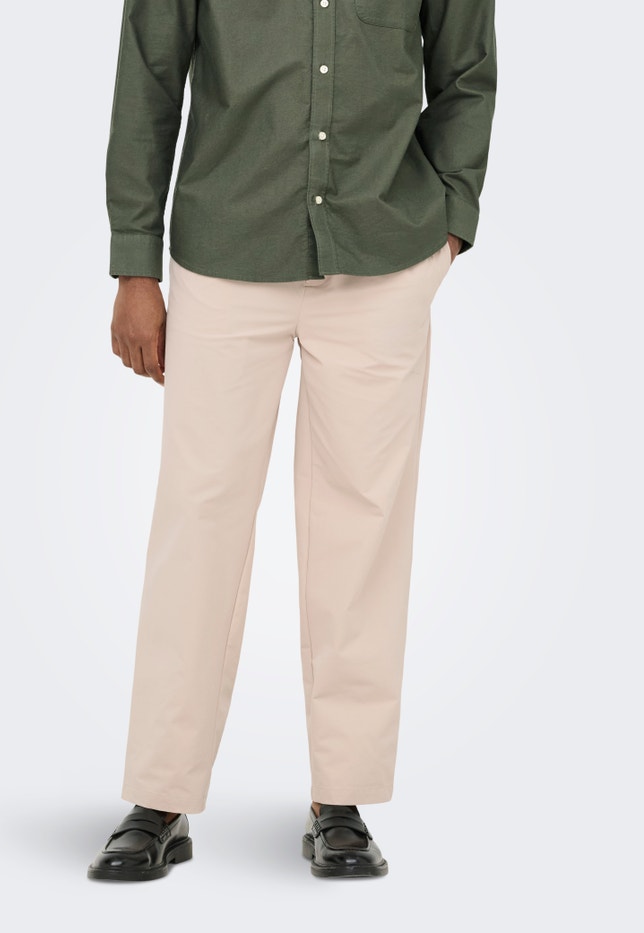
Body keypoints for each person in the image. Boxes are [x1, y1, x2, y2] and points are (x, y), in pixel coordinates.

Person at [87, 0, 497, 882]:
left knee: (363, 526)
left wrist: (450, 222)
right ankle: (161, 794)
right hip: (225, 248)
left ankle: (340, 799)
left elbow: (465, 73)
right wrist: (134, 263)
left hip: (385, 252)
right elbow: (149, 74)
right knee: (198, 518)